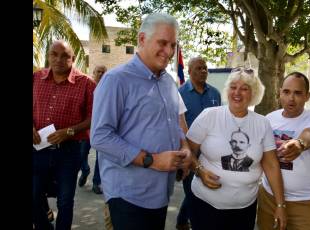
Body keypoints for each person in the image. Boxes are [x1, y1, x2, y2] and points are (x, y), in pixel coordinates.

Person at [90, 13, 192, 230]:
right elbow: (100, 136)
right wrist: (152, 160)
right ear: (142, 39)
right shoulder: (116, 80)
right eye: (162, 43)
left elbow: (172, 124)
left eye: (173, 45)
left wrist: (184, 147)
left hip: (161, 193)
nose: (169, 51)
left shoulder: (167, 81)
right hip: (128, 196)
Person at [186, 67, 287, 230]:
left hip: (244, 209)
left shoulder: (262, 123)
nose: (237, 93)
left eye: (244, 88)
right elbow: (187, 151)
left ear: (253, 93)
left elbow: (271, 165)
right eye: (233, 87)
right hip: (204, 204)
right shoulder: (209, 115)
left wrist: (280, 205)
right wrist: (199, 170)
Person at [33, 40, 96, 230]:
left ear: (73, 58)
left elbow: (94, 117)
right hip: (37, 150)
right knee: (34, 195)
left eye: (65, 56)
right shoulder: (35, 78)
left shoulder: (86, 84)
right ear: (48, 55)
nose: (59, 59)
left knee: (65, 201)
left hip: (69, 151)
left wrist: (70, 131)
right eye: (54, 54)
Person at [257, 72, 310, 230]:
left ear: (307, 96)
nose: (291, 98)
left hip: (304, 202)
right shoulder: (269, 119)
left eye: (298, 93)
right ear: (279, 92)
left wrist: (300, 143)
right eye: (286, 92)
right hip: (268, 198)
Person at [176, 56, 221, 230]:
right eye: (198, 68)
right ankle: (190, 223)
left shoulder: (215, 94)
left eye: (205, 68)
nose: (203, 71)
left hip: (211, 153)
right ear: (189, 71)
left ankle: (181, 220)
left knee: (200, 191)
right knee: (192, 192)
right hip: (189, 152)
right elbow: (176, 126)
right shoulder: (179, 94)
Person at [90, 65, 107, 194]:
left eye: (103, 72)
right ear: (93, 73)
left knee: (99, 157)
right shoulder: (87, 87)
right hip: (84, 130)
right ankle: (84, 170)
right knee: (81, 155)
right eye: (98, 71)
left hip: (100, 129)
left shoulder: (109, 88)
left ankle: (96, 182)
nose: (101, 74)